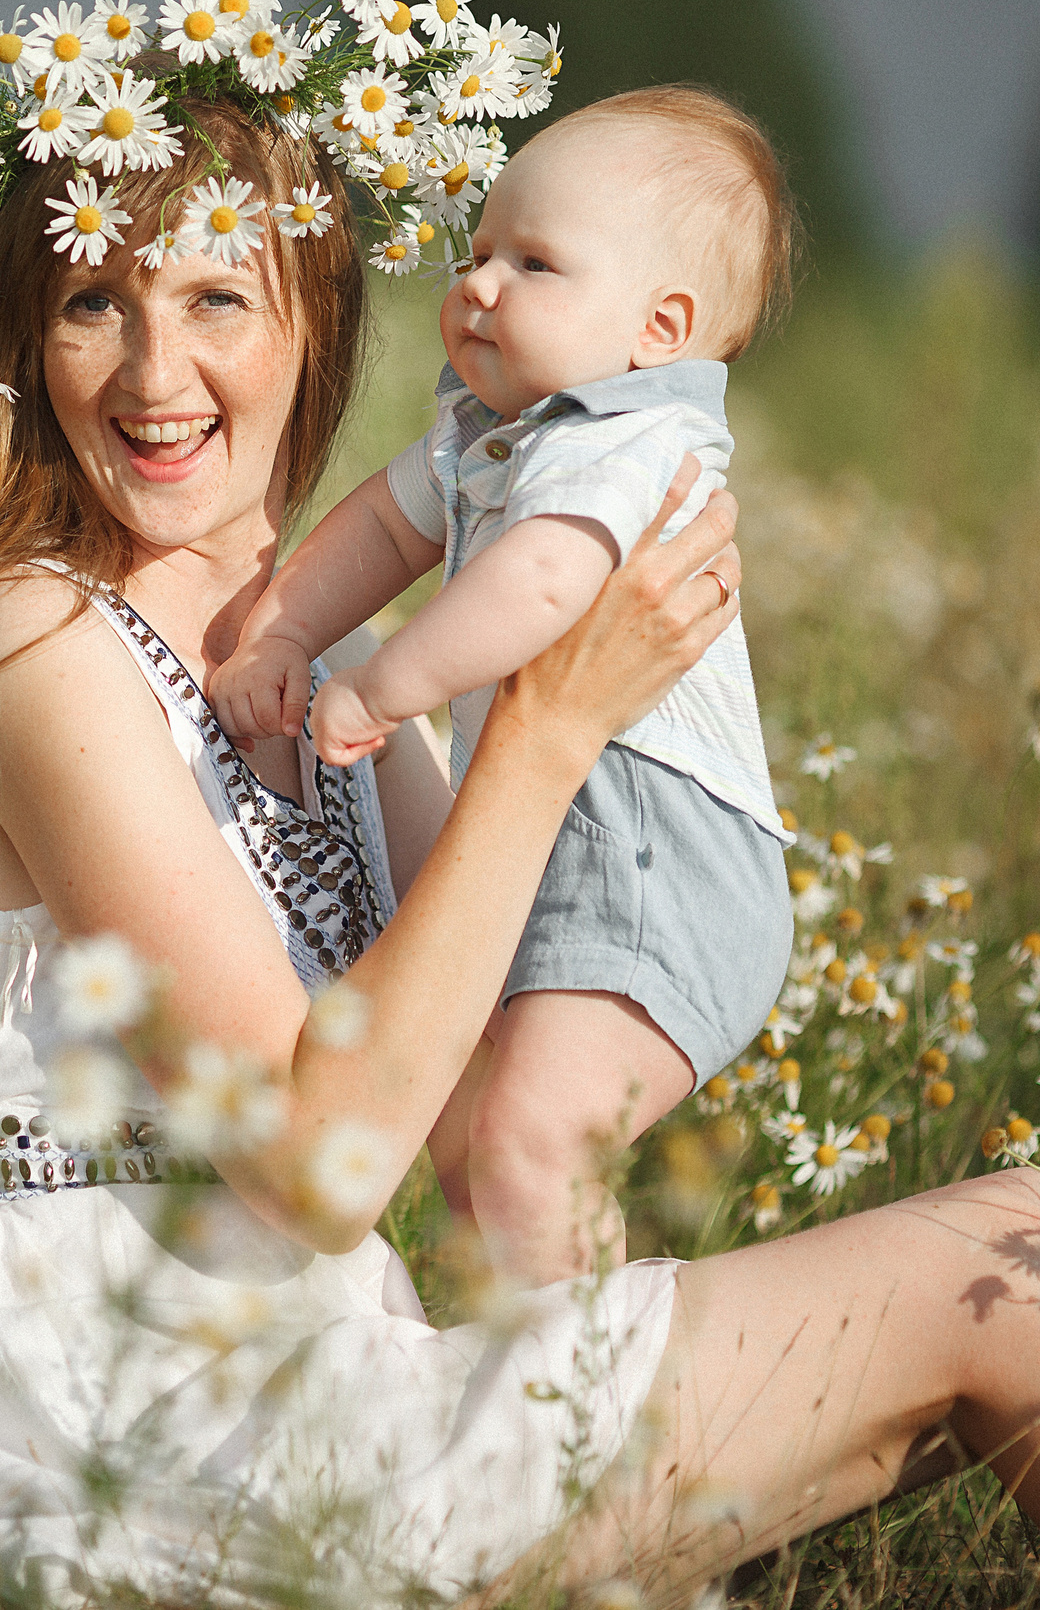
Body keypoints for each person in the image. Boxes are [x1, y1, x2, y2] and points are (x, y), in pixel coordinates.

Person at [0, 95, 1040, 1607]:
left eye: (216, 299)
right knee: (1004, 1265)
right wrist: (545, 726)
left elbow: (449, 1117)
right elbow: (317, 1159)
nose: (157, 376)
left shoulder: (324, 684)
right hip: (128, 1428)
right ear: (23, 335)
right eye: (96, 298)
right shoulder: (21, 637)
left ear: (314, 324)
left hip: (318, 1377)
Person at [210, 86, 797, 1287]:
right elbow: (378, 531)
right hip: (564, 828)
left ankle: (577, 1414)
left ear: (657, 326)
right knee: (483, 1141)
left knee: (528, 1144)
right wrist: (277, 634)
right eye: (477, 252)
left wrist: (382, 692)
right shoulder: (493, 432)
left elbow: (538, 584)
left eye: (534, 263)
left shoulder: (629, 440)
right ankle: (517, 1384)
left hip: (660, 861)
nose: (477, 284)